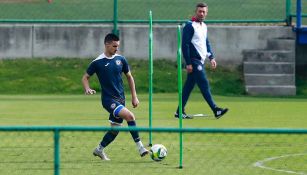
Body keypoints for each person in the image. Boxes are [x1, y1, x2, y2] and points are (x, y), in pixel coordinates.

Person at [82, 33, 149, 161]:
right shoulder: (97, 62)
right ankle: (140, 148)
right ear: (107, 44)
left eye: (118, 46)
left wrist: (134, 96)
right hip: (108, 100)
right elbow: (85, 77)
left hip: (121, 100)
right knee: (130, 116)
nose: (116, 48)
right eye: (114, 46)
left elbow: (129, 77)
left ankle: (99, 150)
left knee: (115, 130)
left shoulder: (121, 60)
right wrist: (87, 88)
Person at [175, 2, 228, 119]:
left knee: (188, 87)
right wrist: (188, 63)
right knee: (204, 84)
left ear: (206, 13)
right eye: (200, 11)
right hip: (194, 61)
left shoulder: (204, 26)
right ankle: (216, 110)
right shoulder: (190, 25)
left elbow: (206, 43)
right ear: (196, 12)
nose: (202, 13)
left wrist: (211, 57)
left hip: (201, 61)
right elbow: (185, 45)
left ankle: (179, 112)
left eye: (204, 12)